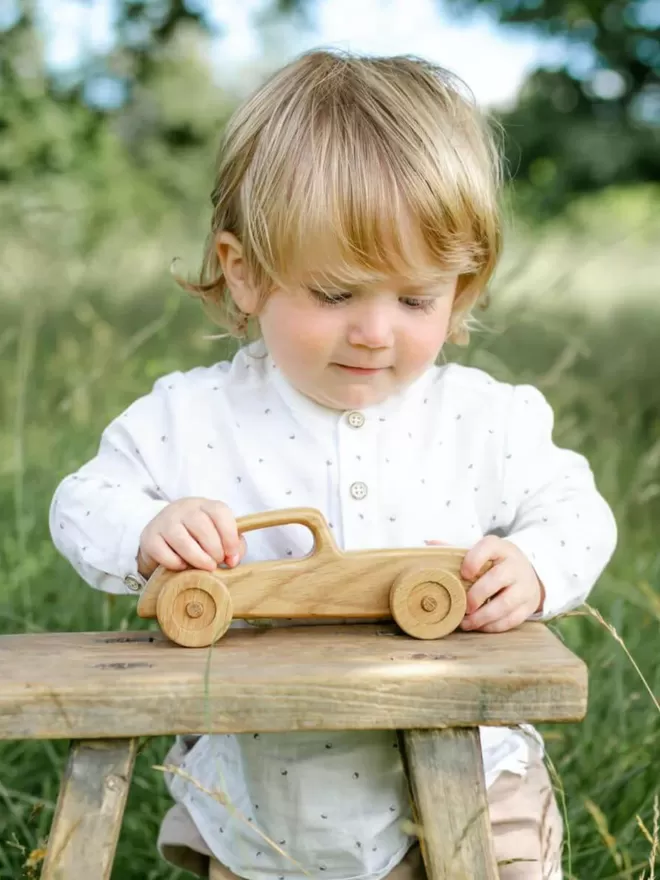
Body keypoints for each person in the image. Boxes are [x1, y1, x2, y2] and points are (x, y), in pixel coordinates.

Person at [50, 49, 617, 880]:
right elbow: (81, 501)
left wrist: (535, 566)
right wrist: (146, 529)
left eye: (415, 298)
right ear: (246, 274)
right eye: (335, 293)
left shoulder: (485, 419)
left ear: (460, 289)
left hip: (473, 777)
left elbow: (577, 509)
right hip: (263, 804)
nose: (375, 332)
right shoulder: (192, 417)